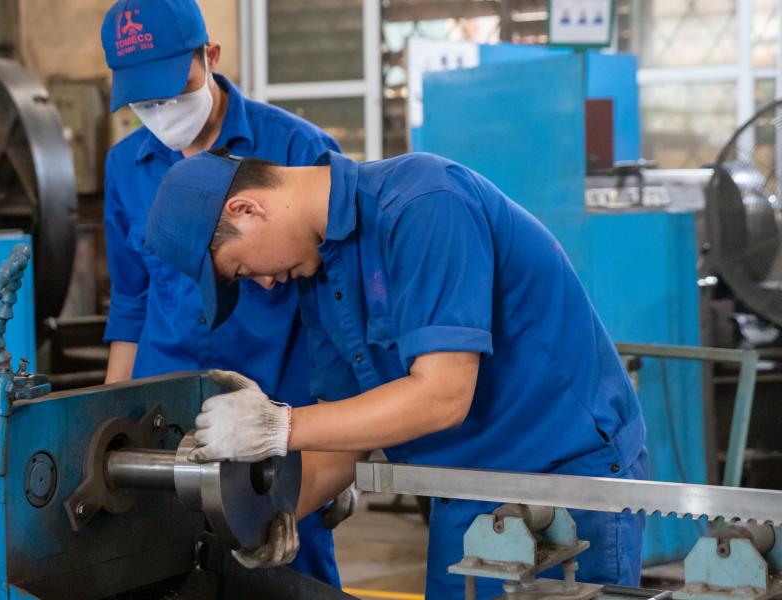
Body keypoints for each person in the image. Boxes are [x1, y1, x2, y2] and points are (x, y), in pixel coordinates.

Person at [142, 148, 649, 599]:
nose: (266, 283)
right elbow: (341, 440)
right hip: (462, 494)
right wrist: (271, 520)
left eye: (244, 269)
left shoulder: (425, 203)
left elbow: (443, 396)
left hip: (565, 484)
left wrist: (275, 427)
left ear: (247, 209)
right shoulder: (318, 273)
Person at [99, 0, 347, 584]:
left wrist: (337, 458)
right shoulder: (125, 165)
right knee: (165, 576)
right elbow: (131, 302)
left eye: (171, 88)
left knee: (288, 574)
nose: (159, 111)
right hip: (164, 432)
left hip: (276, 427)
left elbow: (337, 321)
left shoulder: (298, 152)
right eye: (143, 98)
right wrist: (107, 422)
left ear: (210, 55)